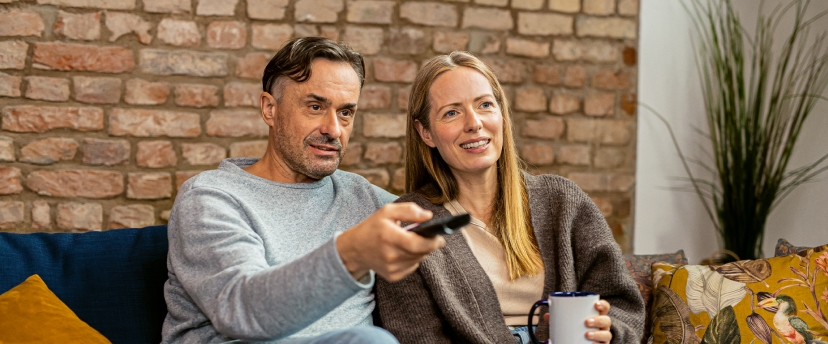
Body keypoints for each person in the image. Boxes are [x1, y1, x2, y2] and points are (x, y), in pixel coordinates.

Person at [161, 37, 445, 343]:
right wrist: (352, 253)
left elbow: (451, 227)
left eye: (346, 112)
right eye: (315, 106)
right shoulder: (211, 197)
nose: (333, 129)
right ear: (270, 109)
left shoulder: (361, 196)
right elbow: (244, 311)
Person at [373, 51, 645, 344]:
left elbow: (623, 304)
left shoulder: (563, 202)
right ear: (426, 132)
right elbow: (418, 337)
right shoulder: (409, 224)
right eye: (452, 112)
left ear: (501, 114)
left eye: (485, 105)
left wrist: (608, 329)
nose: (474, 123)